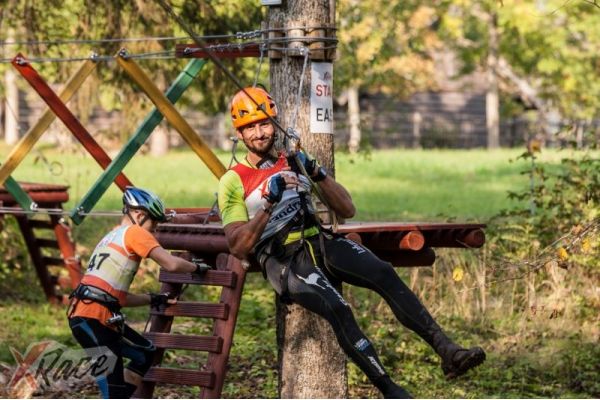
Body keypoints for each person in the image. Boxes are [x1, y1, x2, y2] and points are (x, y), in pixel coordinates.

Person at [218, 87, 486, 398]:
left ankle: (448, 350)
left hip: (320, 241)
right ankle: (391, 390)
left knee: (383, 271)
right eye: (250, 127)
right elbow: (238, 245)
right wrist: (268, 201)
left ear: (273, 122)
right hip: (284, 261)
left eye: (264, 123)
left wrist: (315, 171)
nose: (260, 132)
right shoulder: (233, 180)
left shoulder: (292, 160)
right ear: (240, 133)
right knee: (338, 307)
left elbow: (346, 209)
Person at [67, 187, 205, 399]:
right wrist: (197, 267)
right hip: (94, 317)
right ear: (139, 216)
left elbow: (117, 297)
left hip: (91, 315)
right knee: (112, 394)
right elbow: (171, 263)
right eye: (154, 223)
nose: (155, 230)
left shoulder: (112, 236)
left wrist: (153, 299)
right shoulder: (136, 232)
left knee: (143, 353)